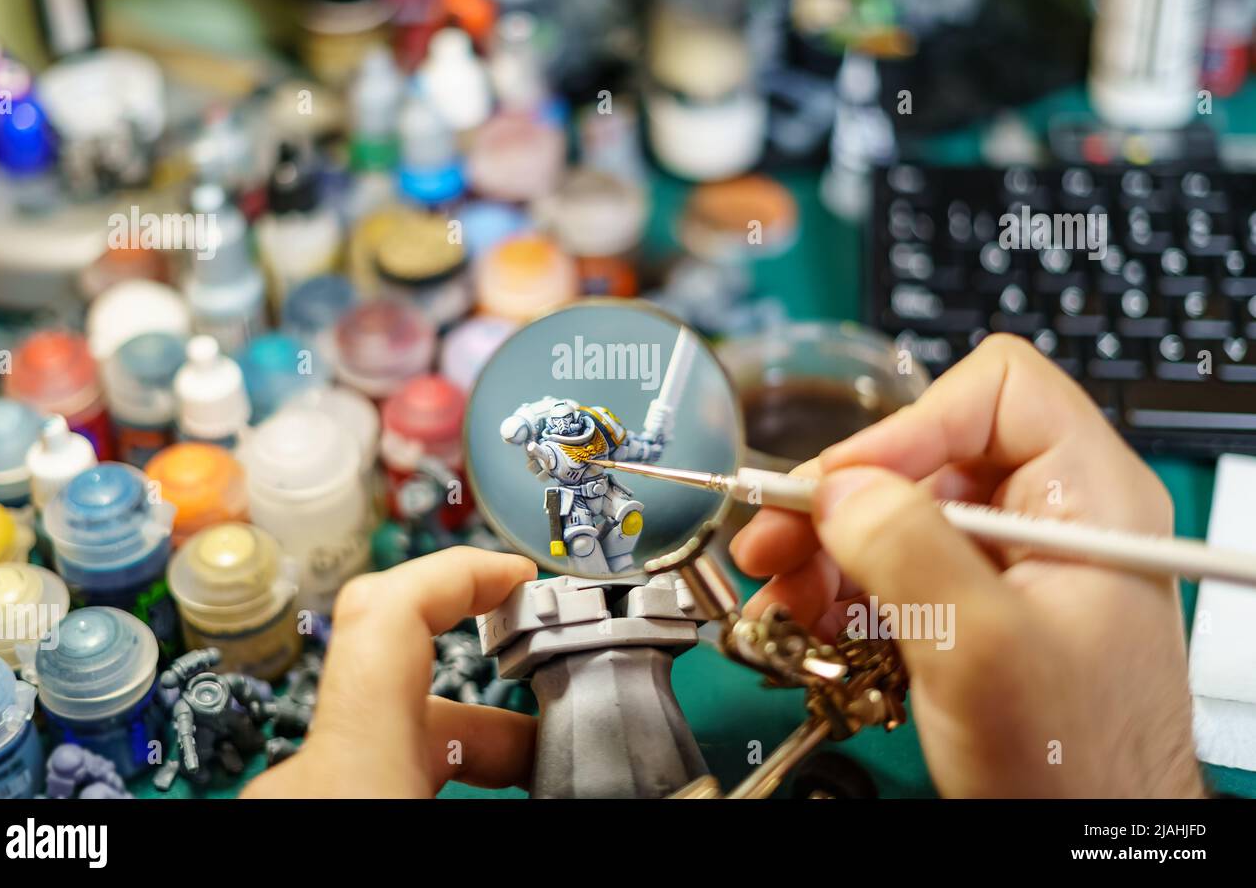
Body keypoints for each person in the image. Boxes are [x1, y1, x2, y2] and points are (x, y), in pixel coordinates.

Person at [243, 334, 1203, 798]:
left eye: (563, 447)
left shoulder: (622, 488)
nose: (555, 462)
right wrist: (1142, 795)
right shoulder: (591, 497)